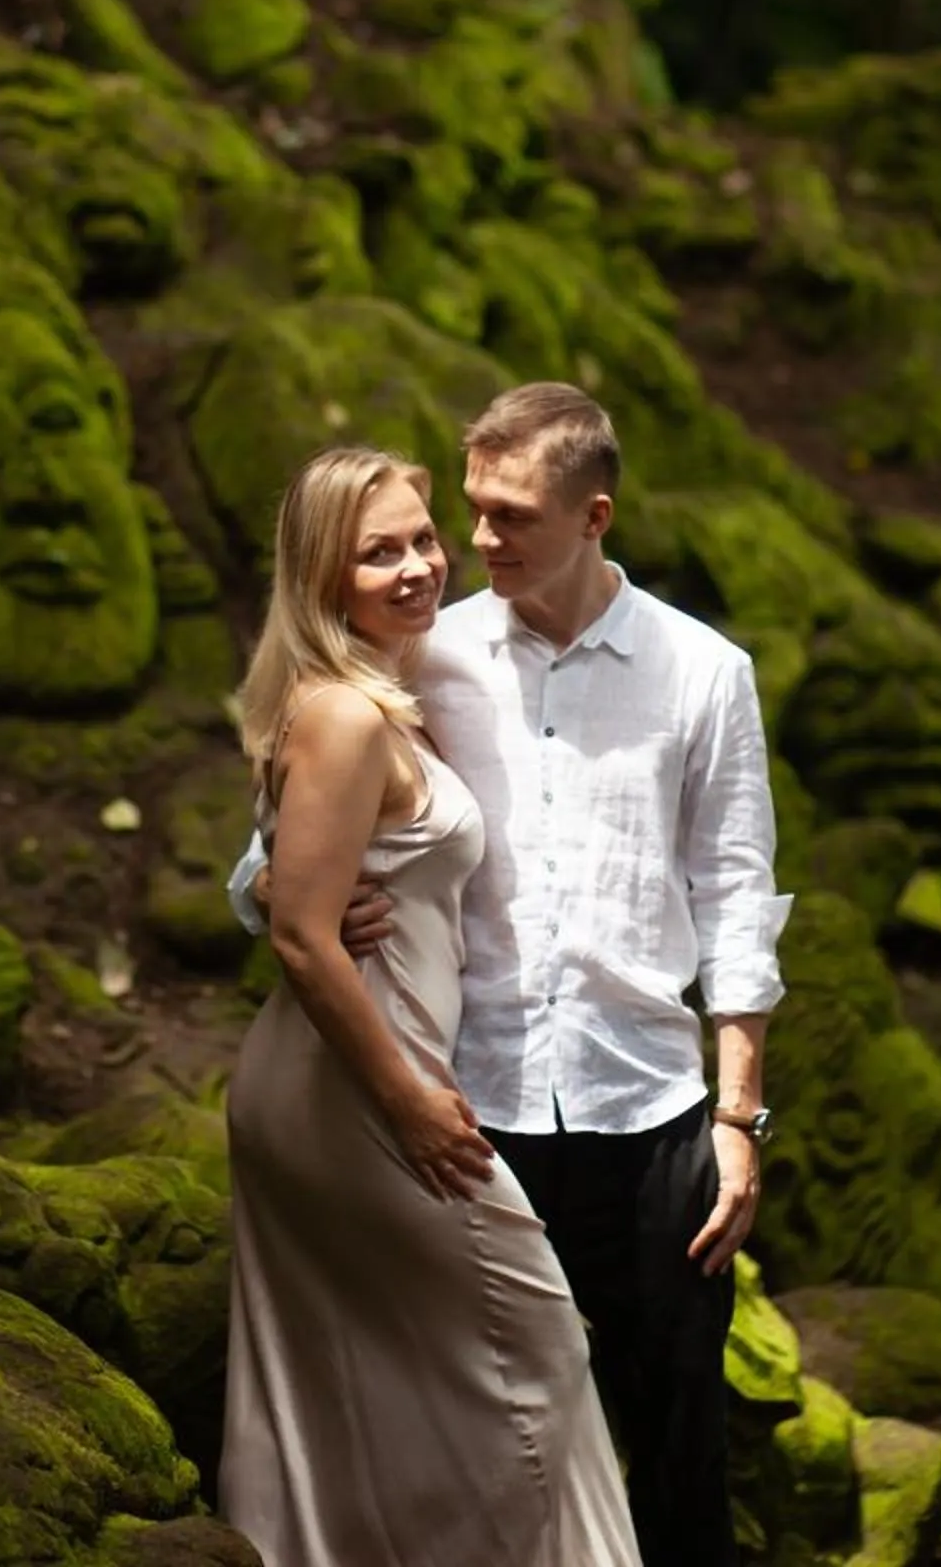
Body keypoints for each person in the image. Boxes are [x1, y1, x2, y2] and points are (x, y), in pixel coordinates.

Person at [234, 383, 791, 1566]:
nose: (474, 542)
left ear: (594, 515)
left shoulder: (704, 674)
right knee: (488, 1418)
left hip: (648, 1107)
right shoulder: (424, 650)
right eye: (470, 510)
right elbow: (279, 836)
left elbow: (739, 893)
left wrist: (740, 1113)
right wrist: (285, 902)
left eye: (508, 516)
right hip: (467, 1101)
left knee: (682, 1424)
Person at [219, 443, 642, 1567]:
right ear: (321, 575)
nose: (415, 566)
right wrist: (406, 1100)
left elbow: (284, 875)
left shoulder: (387, 693)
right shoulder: (349, 715)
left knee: (380, 1374)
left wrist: (263, 887)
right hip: (356, 1089)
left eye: (422, 538)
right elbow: (309, 937)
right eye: (377, 552)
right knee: (538, 1343)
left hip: (372, 1075)